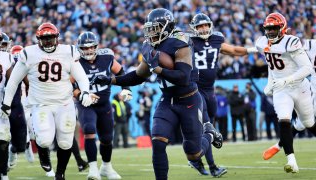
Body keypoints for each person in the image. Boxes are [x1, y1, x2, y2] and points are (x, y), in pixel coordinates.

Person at [91, 8, 222, 180]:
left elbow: (183, 77)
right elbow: (138, 76)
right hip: (167, 100)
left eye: (156, 28)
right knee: (158, 142)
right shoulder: (149, 46)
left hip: (189, 100)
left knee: (194, 154)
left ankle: (210, 134)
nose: (151, 32)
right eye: (150, 28)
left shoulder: (181, 42)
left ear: (167, 27)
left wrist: (158, 68)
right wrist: (110, 80)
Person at [0, 22, 95, 180]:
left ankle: (60, 174)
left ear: (57, 38)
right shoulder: (29, 53)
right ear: (38, 40)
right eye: (45, 39)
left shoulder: (68, 51)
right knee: (44, 140)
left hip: (64, 103)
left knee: (65, 142)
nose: (48, 42)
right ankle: (44, 155)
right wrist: (6, 104)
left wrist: (85, 92)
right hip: (40, 104)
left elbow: (81, 77)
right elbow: (13, 81)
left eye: (51, 38)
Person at [188, 13, 257, 176]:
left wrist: (254, 49)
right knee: (207, 128)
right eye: (200, 26)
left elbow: (233, 50)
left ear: (210, 25)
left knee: (209, 129)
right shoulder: (188, 41)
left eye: (205, 25)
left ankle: (205, 163)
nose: (203, 28)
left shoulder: (216, 39)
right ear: (194, 28)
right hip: (195, 89)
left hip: (210, 90)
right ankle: (201, 161)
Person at [255, 13, 316, 173]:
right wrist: (271, 82)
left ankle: (282, 149)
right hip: (281, 89)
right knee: (284, 119)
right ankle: (291, 161)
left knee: (309, 123)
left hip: (299, 87)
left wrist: (287, 80)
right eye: (268, 29)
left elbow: (307, 68)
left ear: (282, 28)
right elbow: (271, 62)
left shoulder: (292, 41)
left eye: (274, 28)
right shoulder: (262, 42)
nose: (270, 32)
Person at [74, 31, 132, 180]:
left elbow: (121, 72)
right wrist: (81, 95)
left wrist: (126, 88)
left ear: (96, 46)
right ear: (80, 48)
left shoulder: (106, 57)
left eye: (91, 47)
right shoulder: (75, 61)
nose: (88, 50)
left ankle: (106, 167)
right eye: (85, 48)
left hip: (104, 103)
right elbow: (69, 86)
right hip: (86, 104)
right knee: (89, 130)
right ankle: (93, 169)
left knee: (107, 138)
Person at [262, 38, 316, 160]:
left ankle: (279, 145)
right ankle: (282, 147)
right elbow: (278, 52)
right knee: (304, 122)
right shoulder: (310, 43)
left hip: (302, 85)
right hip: (313, 84)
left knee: (302, 123)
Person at [7, 45, 35, 171]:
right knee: (16, 135)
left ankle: (26, 145)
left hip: (29, 104)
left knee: (35, 133)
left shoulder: (29, 68)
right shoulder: (9, 70)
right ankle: (16, 150)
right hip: (16, 105)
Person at [0, 27, 12, 180]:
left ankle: (3, 172)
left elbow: (12, 81)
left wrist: (9, 102)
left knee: (2, 139)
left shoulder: (7, 57)